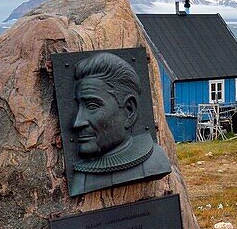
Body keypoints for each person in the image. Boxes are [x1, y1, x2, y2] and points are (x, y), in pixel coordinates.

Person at [67, 52, 172, 196]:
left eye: (92, 106)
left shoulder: (155, 162)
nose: (77, 122)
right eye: (79, 106)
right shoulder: (79, 179)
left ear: (129, 110)